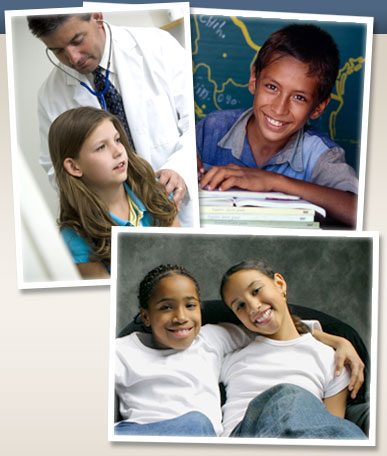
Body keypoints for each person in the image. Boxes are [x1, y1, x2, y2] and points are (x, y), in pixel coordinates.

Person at [114, 264, 365, 437]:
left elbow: (274, 328)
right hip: (161, 434)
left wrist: (339, 340)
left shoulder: (212, 340)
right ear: (145, 316)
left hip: (270, 436)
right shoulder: (122, 350)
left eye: (190, 305)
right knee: (201, 423)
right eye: (240, 307)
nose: (181, 317)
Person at [27, 12, 196, 227]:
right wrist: (105, 205)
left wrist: (179, 169)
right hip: (114, 221)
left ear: (97, 18)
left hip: (181, 207)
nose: (73, 58)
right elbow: (57, 168)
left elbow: (199, 122)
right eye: (58, 51)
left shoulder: (158, 47)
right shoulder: (51, 95)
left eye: (77, 41)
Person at [196, 24, 358, 227]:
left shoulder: (320, 154)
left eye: (299, 97)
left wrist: (274, 181)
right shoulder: (211, 130)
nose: (280, 108)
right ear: (254, 79)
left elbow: (359, 211)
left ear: (318, 107)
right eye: (272, 87)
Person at [219, 260, 368, 438]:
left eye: (256, 291)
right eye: (240, 306)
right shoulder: (230, 357)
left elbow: (331, 428)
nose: (253, 306)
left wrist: (339, 342)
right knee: (289, 395)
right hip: (245, 439)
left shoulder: (330, 359)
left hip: (300, 441)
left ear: (280, 284)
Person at [48, 107, 179, 279]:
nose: (118, 151)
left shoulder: (154, 191)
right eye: (101, 147)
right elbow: (111, 300)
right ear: (74, 167)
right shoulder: (75, 237)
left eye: (117, 140)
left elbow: (182, 260)